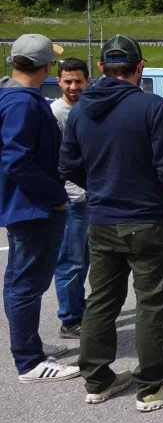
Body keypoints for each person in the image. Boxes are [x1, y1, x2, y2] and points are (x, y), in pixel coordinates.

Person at [60, 34, 163, 411]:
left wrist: (101, 187)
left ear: (101, 68)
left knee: (101, 301)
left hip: (101, 218)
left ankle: (98, 379)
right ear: (140, 68)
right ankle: (152, 386)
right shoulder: (152, 107)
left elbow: (68, 165)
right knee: (152, 301)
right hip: (144, 219)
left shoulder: (80, 111)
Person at [0, 33, 79, 383]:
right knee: (26, 283)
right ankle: (29, 361)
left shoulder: (10, 97)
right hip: (32, 208)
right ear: (45, 66)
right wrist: (54, 194)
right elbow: (15, 161)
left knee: (22, 281)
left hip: (25, 206)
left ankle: (29, 346)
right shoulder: (23, 104)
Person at [50, 58, 90, 339]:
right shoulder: (55, 113)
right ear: (59, 81)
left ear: (87, 81)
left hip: (93, 197)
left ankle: (78, 306)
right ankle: (70, 319)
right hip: (71, 200)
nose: (73, 86)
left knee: (86, 259)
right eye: (68, 81)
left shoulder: (90, 109)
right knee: (71, 261)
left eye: (78, 81)